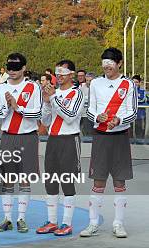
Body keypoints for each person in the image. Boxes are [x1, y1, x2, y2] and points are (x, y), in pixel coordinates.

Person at [81, 48, 138, 238]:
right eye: (104, 61)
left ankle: (118, 223)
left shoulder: (128, 84)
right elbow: (90, 110)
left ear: (119, 63)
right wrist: (98, 116)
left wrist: (120, 120)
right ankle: (93, 223)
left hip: (120, 137)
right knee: (98, 180)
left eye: (111, 62)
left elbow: (133, 111)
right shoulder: (96, 83)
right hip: (100, 136)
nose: (107, 65)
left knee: (119, 181)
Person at [0, 53, 42, 233]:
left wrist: (17, 107)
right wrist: (6, 107)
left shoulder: (32, 87)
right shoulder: (0, 89)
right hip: (7, 136)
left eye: (16, 68)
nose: (12, 72)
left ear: (23, 68)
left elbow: (38, 114)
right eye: (9, 68)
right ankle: (7, 218)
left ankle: (21, 218)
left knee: (24, 179)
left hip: (28, 136)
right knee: (7, 179)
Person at [37, 60, 84, 236]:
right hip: (53, 140)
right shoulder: (54, 95)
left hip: (69, 140)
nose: (60, 75)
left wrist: (54, 98)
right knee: (50, 181)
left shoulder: (77, 93)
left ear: (71, 74)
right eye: (58, 72)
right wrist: (47, 103)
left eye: (63, 72)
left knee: (67, 181)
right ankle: (52, 221)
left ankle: (67, 223)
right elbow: (46, 121)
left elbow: (70, 116)